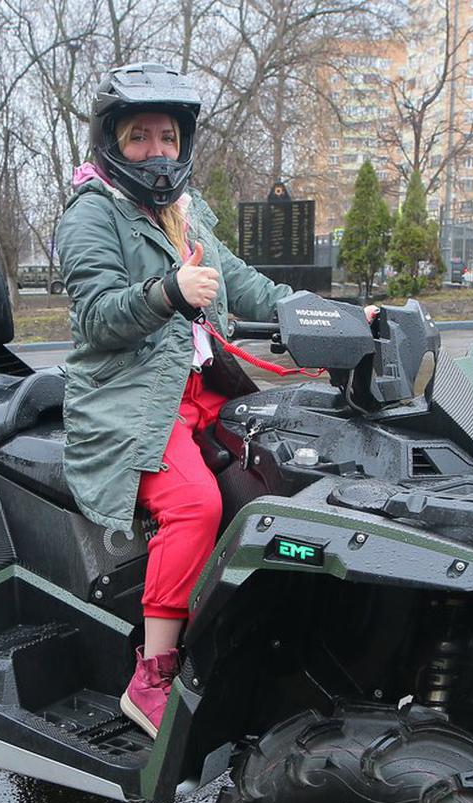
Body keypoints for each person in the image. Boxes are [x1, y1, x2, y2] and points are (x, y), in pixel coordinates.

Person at [56, 62, 376, 738]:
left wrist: (337, 318)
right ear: (112, 141)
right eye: (139, 136)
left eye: (166, 136)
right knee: (197, 506)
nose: (156, 150)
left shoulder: (184, 211)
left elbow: (246, 285)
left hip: (207, 393)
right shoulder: (90, 214)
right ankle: (153, 672)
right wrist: (166, 293)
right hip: (133, 403)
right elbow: (95, 315)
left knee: (298, 475)